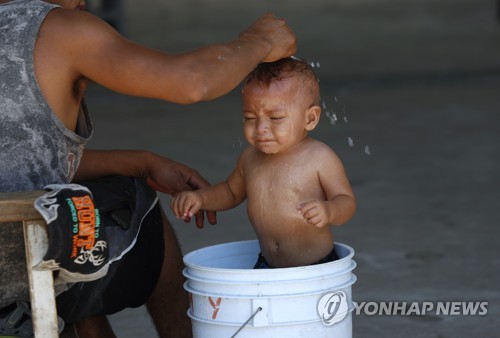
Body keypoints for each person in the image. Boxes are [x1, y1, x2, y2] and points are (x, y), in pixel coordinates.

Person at [0, 0, 296, 337]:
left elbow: (25, 159)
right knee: (136, 206)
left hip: (13, 232)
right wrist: (260, 41)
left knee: (78, 225)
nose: (83, 1)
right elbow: (191, 81)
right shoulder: (60, 29)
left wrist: (144, 162)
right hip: (15, 270)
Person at [171, 57, 356, 269]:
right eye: (250, 117)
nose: (261, 128)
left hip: (316, 266)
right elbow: (231, 193)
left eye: (275, 117)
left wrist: (329, 210)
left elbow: (346, 201)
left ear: (310, 119)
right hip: (267, 263)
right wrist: (200, 198)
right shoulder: (250, 158)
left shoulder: (319, 158)